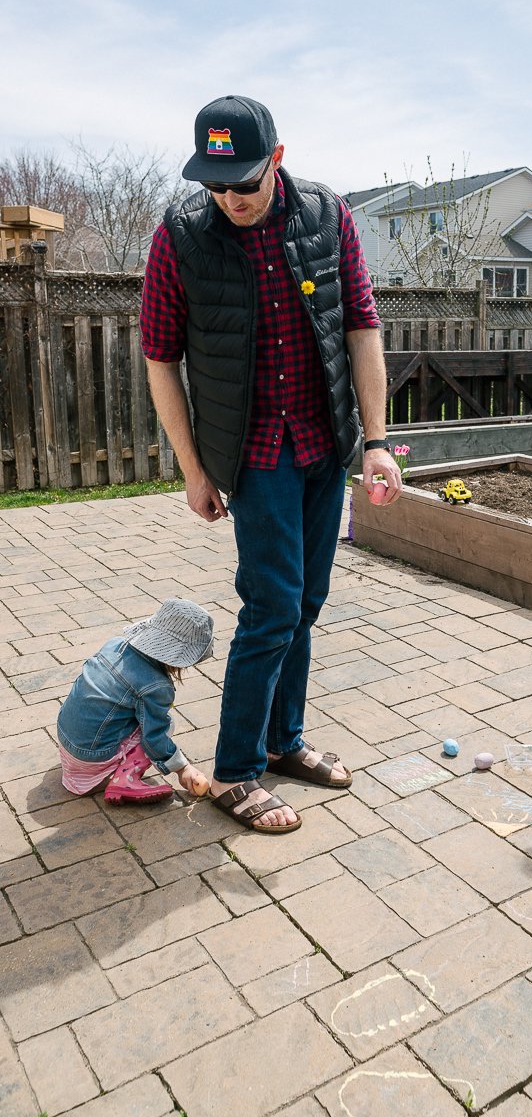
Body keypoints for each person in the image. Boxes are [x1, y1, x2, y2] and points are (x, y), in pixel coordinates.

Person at [140, 94, 401, 833]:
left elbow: (362, 325)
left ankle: (283, 743)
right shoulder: (180, 237)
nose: (230, 199)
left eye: (244, 184)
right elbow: (161, 360)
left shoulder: (327, 214)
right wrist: (193, 470)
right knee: (272, 608)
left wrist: (377, 441)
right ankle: (233, 771)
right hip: (253, 456)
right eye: (215, 185)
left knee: (306, 604)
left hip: (324, 443)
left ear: (276, 161)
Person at [58, 598, 214, 804]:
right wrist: (182, 767)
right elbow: (155, 737)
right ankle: (125, 779)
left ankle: (96, 770)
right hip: (91, 755)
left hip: (67, 740)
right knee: (165, 725)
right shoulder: (157, 686)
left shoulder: (114, 645)